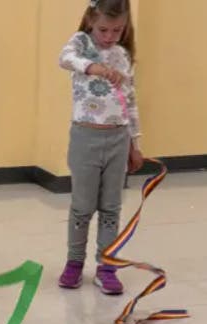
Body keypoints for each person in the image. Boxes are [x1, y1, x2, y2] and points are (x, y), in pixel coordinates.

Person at [58, 0, 144, 293]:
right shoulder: (81, 44)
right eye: (104, 29)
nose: (109, 36)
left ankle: (107, 266)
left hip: (118, 139)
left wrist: (135, 144)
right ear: (92, 20)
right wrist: (93, 66)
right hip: (85, 137)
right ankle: (74, 263)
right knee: (82, 207)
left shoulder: (122, 55)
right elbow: (64, 58)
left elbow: (130, 104)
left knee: (111, 208)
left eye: (117, 30)